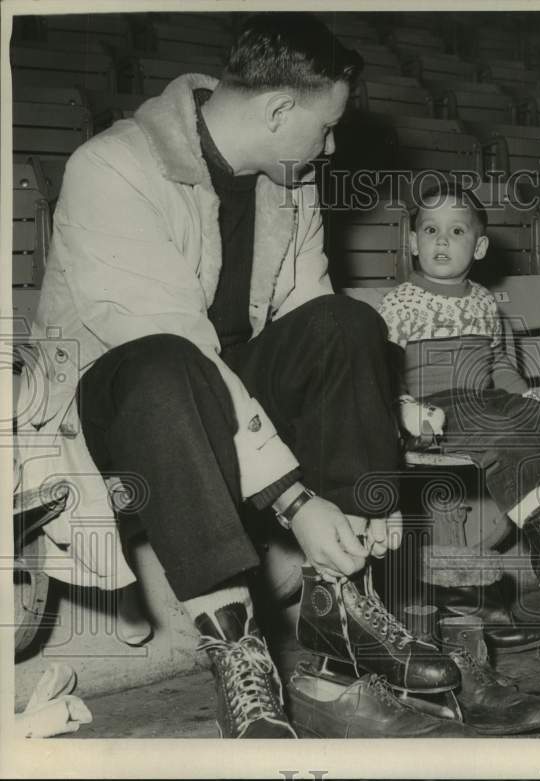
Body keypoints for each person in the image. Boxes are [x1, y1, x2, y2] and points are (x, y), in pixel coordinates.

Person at [18, 13, 457, 739]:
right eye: (326, 128)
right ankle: (239, 653)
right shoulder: (112, 168)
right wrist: (295, 499)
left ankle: (341, 605)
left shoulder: (289, 177)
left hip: (224, 390)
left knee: (348, 323)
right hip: (114, 404)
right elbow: (178, 347)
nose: (331, 146)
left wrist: (368, 457)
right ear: (279, 111)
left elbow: (311, 315)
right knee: (168, 367)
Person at [375, 182, 540, 642]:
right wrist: (404, 407)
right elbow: (384, 370)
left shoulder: (485, 301)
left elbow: (500, 364)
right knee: (501, 432)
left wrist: (527, 399)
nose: (442, 240)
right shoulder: (399, 302)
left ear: (480, 246)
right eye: (430, 230)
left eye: (456, 231)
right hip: (434, 409)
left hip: (484, 400)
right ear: (413, 242)